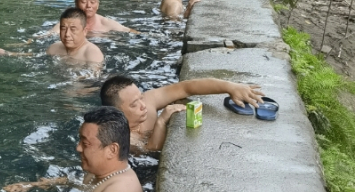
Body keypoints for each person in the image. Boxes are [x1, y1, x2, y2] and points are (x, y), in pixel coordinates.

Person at [5, 107, 145, 192]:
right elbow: (76, 181)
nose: (78, 148)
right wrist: (33, 184)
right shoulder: (98, 170)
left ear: (112, 150)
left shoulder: (121, 189)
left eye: (85, 144)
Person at [100, 73, 265, 153]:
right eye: (135, 104)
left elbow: (184, 88)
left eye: (141, 97)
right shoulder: (120, 138)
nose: (144, 105)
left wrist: (230, 87)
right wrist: (160, 121)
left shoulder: (147, 103)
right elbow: (152, 151)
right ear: (116, 113)